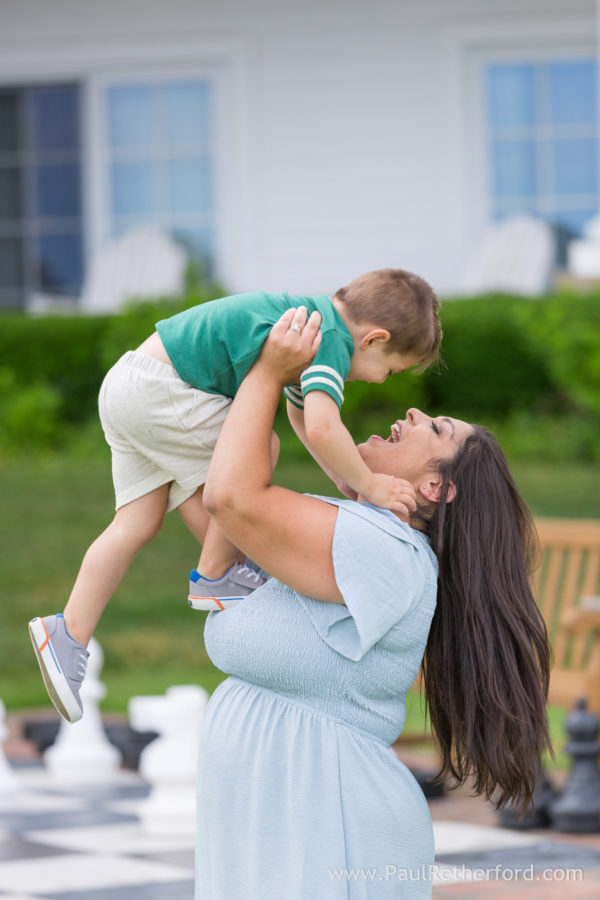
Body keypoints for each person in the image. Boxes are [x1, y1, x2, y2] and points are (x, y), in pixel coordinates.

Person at [195, 307, 553, 899]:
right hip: (286, 811)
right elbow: (219, 559)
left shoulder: (384, 548)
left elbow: (230, 499)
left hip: (330, 822)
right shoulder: (365, 532)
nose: (412, 411)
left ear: (435, 489)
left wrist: (263, 374)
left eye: (433, 428)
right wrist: (300, 387)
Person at [28, 268, 442, 724]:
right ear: (374, 339)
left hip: (131, 383)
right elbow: (325, 425)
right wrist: (370, 483)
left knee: (135, 524)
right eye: (389, 369)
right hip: (165, 389)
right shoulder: (332, 341)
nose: (382, 380)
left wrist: (342, 477)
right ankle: (215, 574)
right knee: (259, 449)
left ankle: (67, 632)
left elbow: (301, 411)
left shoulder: (310, 321)